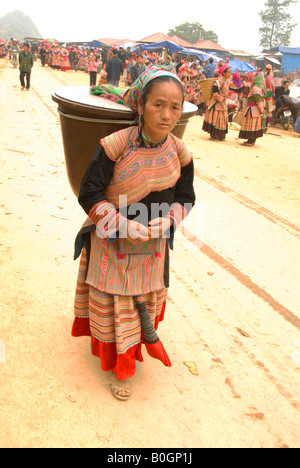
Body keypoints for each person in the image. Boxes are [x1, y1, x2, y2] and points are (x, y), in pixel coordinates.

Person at [72, 67, 196, 401]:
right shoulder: (115, 146)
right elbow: (90, 193)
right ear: (141, 105)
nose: (167, 115)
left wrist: (170, 220)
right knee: (118, 304)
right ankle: (121, 368)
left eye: (175, 107)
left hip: (153, 244)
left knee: (143, 300)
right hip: (112, 239)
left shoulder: (180, 153)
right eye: (158, 105)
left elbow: (186, 197)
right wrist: (123, 224)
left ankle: (133, 353)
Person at [202, 64, 232, 141]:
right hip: (217, 103)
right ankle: (214, 135)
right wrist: (221, 99)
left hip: (223, 103)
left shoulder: (227, 82)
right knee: (216, 119)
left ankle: (220, 135)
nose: (229, 75)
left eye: (230, 73)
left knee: (221, 120)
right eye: (228, 73)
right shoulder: (219, 81)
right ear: (224, 73)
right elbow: (214, 93)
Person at [238, 71, 265, 146]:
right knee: (255, 126)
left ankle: (250, 141)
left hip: (252, 110)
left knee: (251, 126)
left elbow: (258, 101)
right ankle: (252, 141)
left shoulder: (255, 89)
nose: (252, 78)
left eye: (254, 76)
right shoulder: (260, 88)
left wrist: (261, 109)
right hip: (257, 110)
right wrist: (262, 109)